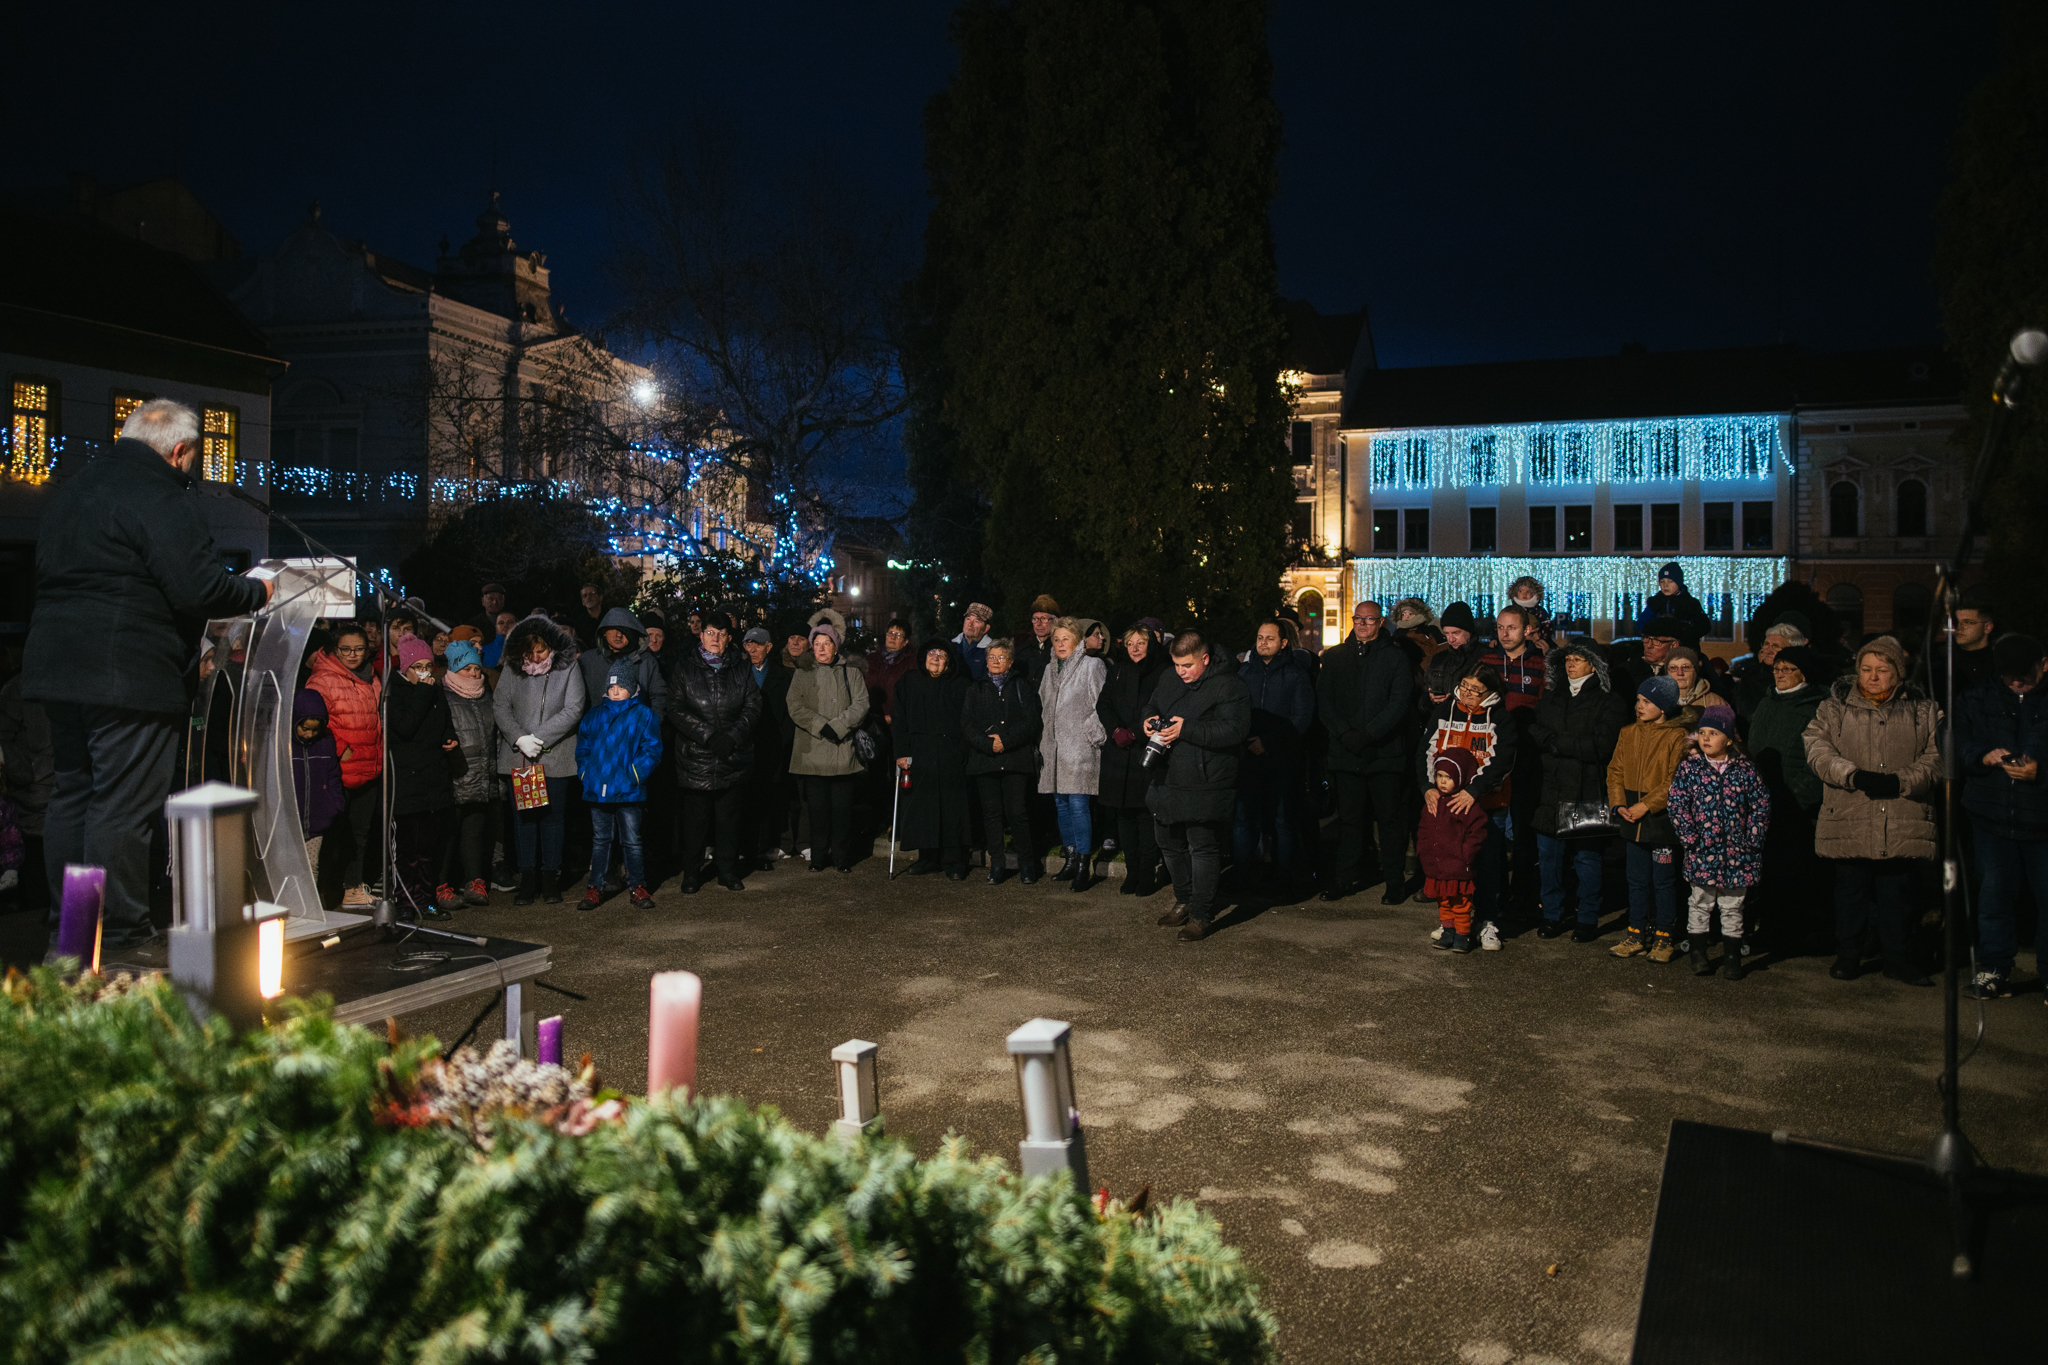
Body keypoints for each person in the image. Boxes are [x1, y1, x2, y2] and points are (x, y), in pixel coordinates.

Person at [23, 398, 272, 953]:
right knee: (121, 802)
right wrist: (258, 591)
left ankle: (71, 931)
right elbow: (200, 588)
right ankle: (116, 932)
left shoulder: (76, 488)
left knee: (74, 794)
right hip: (128, 672)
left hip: (57, 665)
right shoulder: (160, 494)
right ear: (180, 451)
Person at [1802, 635, 1942, 985]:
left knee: (1899, 894)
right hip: (1850, 814)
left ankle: (1898, 958)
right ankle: (1848, 955)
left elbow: (1937, 755)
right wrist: (1851, 775)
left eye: (1882, 670)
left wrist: (1902, 781)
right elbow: (1817, 748)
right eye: (1866, 669)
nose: (1873, 677)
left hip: (1901, 816)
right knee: (1851, 892)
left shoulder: (1923, 709)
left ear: (1899, 672)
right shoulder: (1834, 707)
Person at [1951, 633, 2048, 998]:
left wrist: (2041, 772)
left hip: (2042, 820)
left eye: (2023, 675)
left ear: (2044, 665)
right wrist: (1982, 756)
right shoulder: (1977, 696)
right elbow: (1957, 740)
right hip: (1992, 816)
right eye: (2009, 675)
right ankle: (1995, 969)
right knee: (1994, 897)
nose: (2016, 682)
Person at [1144, 631, 1251, 941]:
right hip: (1166, 775)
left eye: (1187, 666)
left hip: (1206, 778)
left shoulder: (1230, 685)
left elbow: (1235, 729)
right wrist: (1148, 720)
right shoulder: (1169, 677)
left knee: (1201, 845)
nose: (1181, 672)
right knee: (1167, 841)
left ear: (1205, 658)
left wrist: (1187, 729)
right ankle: (1184, 899)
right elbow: (1151, 704)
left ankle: (1201, 914)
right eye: (1176, 665)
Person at [1529, 642, 1628, 943]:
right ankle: (1553, 914)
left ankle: (1587, 917)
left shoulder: (1609, 701)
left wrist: (1559, 743)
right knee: (1549, 859)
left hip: (1587, 789)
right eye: (1568, 659)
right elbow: (1535, 733)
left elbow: (1602, 745)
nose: (1571, 664)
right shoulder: (1551, 697)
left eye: (1579, 659)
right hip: (1551, 788)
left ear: (1594, 665)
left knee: (1587, 859)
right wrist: (1566, 744)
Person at [1318, 600, 1415, 904]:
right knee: (1349, 820)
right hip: (1346, 753)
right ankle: (1343, 879)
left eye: (1368, 620)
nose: (1361, 624)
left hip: (1384, 754)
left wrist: (1370, 734)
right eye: (1357, 619)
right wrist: (1346, 734)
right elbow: (1325, 701)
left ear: (1380, 622)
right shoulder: (1335, 657)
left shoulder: (1396, 658)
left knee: (1389, 821)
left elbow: (1399, 703)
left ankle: (1395, 883)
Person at [1667, 706, 1771, 979]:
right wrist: (1690, 837)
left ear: (1728, 738)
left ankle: (1732, 956)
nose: (1706, 738)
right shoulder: (1691, 768)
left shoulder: (1745, 769)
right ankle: (1698, 954)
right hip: (1703, 849)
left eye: (1713, 733)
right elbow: (1678, 803)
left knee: (1733, 905)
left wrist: (1752, 838)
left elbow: (1760, 805)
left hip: (1738, 853)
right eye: (1702, 733)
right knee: (1700, 902)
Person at [1418, 662, 1517, 947]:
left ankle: (1488, 920)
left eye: (1476, 689)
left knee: (1487, 863)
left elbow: (1503, 760)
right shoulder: (1444, 712)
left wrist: (1474, 791)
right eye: (1464, 686)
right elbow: (1424, 751)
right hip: (1447, 806)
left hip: (1488, 802)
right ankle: (1452, 922)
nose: (1467, 694)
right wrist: (1427, 788)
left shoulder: (1500, 717)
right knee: (1451, 863)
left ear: (1490, 691)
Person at [494, 613, 587, 905]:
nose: (535, 656)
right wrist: (520, 738)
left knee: (552, 820)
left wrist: (539, 739)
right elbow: (500, 705)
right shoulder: (512, 669)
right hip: (520, 757)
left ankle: (550, 877)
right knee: (524, 819)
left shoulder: (568, 667)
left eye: (541, 650)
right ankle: (528, 878)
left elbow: (574, 708)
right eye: (530, 651)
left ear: (552, 647)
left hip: (554, 757)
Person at [1746, 642, 1830, 952]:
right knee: (1766, 873)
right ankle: (1769, 930)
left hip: (1796, 806)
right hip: (1761, 802)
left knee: (1794, 873)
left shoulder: (1818, 705)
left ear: (1804, 673)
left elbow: (1819, 760)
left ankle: (1796, 934)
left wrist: (1799, 796)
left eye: (1787, 669)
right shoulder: (1767, 703)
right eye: (1776, 668)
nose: (1779, 674)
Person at [668, 613, 761, 893]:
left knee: (728, 819)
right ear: (701, 635)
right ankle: (692, 873)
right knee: (695, 821)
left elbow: (753, 706)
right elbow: (675, 708)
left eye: (721, 634)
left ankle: (727, 871)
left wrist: (732, 737)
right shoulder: (684, 668)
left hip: (732, 757)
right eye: (710, 632)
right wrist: (708, 736)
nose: (715, 639)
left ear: (729, 639)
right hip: (695, 757)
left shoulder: (741, 669)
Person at [1606, 676, 1695, 963]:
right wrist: (1619, 803)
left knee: (1664, 881)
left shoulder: (1677, 736)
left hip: (1660, 820)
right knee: (1636, 879)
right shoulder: (1628, 732)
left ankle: (1664, 937)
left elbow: (1675, 779)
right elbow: (1615, 770)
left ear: (1664, 707)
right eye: (1639, 700)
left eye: (1647, 702)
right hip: (1631, 817)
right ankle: (1635, 934)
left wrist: (1647, 805)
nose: (1639, 706)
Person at [306, 623, 384, 909]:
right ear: (334, 649)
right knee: (335, 834)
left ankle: (353, 887)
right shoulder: (322, 679)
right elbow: (316, 721)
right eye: (346, 649)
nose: (353, 655)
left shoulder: (372, 677)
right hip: (340, 767)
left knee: (360, 834)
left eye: (359, 649)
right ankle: (327, 892)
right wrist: (341, 751)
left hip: (370, 764)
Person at [1235, 619, 1316, 894]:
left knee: (1283, 820)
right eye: (1259, 637)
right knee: (1245, 819)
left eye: (1269, 638)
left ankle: (1283, 879)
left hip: (1283, 759)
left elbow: (1302, 717)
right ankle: (1242, 877)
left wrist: (1268, 742)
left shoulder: (1296, 674)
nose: (1263, 643)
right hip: (1248, 757)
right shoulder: (1244, 673)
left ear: (1283, 643)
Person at [786, 621, 870, 872]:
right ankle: (819, 857)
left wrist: (840, 725)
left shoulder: (851, 672)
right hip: (814, 751)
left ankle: (842, 858)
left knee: (842, 810)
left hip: (842, 751)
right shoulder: (802, 672)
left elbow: (862, 704)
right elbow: (794, 705)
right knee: (817, 811)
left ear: (836, 647)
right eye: (817, 644)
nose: (821, 649)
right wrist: (822, 726)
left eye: (827, 643)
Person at [1479, 605, 1546, 915]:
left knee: (1522, 830)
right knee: (1493, 828)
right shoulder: (1487, 660)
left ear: (1527, 630)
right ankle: (1496, 893)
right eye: (1500, 627)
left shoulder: (1541, 662)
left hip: (1529, 756)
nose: (1505, 633)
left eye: (1512, 628)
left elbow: (1546, 706)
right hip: (1494, 755)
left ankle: (1522, 894)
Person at [576, 671, 664, 909]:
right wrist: (585, 773)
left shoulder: (643, 715)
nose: (615, 691)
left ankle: (637, 886)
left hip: (628, 789)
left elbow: (652, 749)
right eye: (611, 686)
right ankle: (595, 886)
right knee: (600, 840)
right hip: (598, 788)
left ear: (632, 689)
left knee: (632, 840)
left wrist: (635, 775)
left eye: (621, 687)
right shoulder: (594, 715)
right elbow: (583, 747)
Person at [387, 637, 459, 919]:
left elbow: (444, 721)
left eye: (429, 665)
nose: (425, 672)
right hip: (406, 782)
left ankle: (427, 899)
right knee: (407, 851)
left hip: (433, 779)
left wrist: (449, 737)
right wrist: (421, 694)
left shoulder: (435, 692)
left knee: (429, 848)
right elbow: (404, 727)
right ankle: (404, 902)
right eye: (418, 666)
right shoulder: (396, 693)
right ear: (406, 668)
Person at [963, 640, 1043, 884]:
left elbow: (1032, 721)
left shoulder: (1022, 686)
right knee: (991, 814)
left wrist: (1005, 741)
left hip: (1015, 759)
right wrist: (988, 745)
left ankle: (1027, 864)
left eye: (1001, 657)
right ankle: (997, 863)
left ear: (1010, 662)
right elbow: (967, 724)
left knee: (1017, 812)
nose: (996, 662)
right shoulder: (975, 688)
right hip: (984, 760)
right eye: (991, 657)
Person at [1097, 625, 1169, 895]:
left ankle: (1147, 871)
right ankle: (1132, 870)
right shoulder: (1118, 670)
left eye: (1141, 642)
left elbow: (1161, 709)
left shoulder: (1162, 672)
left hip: (1146, 750)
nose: (1135, 647)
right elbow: (1103, 703)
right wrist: (1116, 730)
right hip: (1119, 751)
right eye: (1130, 643)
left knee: (1144, 815)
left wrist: (1136, 732)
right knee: (1123, 814)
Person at [1038, 617, 1109, 892]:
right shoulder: (1049, 670)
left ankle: (1083, 863)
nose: (1059, 644)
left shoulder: (1093, 665)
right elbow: (1044, 705)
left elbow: (1101, 704)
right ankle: (1069, 858)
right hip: (1054, 749)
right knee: (1061, 804)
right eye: (1056, 639)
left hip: (1080, 747)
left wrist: (1092, 734)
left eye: (1065, 639)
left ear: (1078, 641)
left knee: (1079, 805)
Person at [893, 642, 974, 878]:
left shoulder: (960, 685)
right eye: (931, 653)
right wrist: (901, 752)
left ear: (949, 661)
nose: (936, 658)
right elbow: (899, 720)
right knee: (923, 807)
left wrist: (962, 751)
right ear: (923, 657)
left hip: (951, 753)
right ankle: (927, 858)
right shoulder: (908, 682)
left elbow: (968, 721)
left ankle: (954, 861)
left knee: (952, 808)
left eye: (941, 654)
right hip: (919, 753)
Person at [439, 639, 498, 907]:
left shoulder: (486, 695)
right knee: (448, 833)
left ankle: (475, 881)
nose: (474, 674)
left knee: (474, 832)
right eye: (467, 669)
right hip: (455, 775)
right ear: (453, 668)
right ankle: (442, 885)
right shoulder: (443, 696)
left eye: (477, 668)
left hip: (481, 774)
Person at [1419, 749, 1492, 953]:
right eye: (1440, 776)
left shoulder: (1466, 805)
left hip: (1459, 866)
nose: (1442, 781)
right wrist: (1424, 852)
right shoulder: (1432, 803)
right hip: (1438, 866)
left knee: (1461, 903)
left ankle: (1462, 934)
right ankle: (1448, 932)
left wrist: (1465, 855)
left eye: (1449, 777)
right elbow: (1423, 830)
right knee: (1443, 902)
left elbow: (1476, 833)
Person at [740, 626, 797, 866]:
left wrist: (781, 741)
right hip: (745, 744)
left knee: (772, 796)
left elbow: (789, 714)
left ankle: (768, 844)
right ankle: (747, 846)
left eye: (758, 644)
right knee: (747, 798)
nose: (752, 649)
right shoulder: (739, 673)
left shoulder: (785, 676)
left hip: (775, 744)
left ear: (769, 647)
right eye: (748, 644)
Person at [291, 689, 345, 893]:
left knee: (312, 865)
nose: (310, 734)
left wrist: (335, 803)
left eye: (315, 729)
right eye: (305, 728)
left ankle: (309, 909)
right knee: (289, 865)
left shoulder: (325, 742)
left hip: (317, 818)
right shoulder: (284, 743)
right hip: (290, 819)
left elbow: (333, 775)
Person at [578, 607, 669, 720]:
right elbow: (577, 702)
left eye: (624, 630)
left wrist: (650, 726)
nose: (618, 635)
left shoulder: (647, 661)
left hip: (636, 732)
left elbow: (659, 697)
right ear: (604, 632)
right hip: (599, 733)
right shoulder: (588, 660)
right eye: (613, 628)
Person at [1731, 612, 1810, 723]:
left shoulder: (1806, 680)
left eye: (1775, 646)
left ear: (1792, 650)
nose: (1767, 650)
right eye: (1766, 644)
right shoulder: (1749, 680)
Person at [1637, 562, 1711, 637]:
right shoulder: (1655, 602)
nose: (1665, 585)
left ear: (1678, 582)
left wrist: (1685, 634)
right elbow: (1642, 624)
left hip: (1684, 646)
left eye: (1670, 581)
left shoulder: (1690, 603)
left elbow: (1704, 626)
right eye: (1662, 581)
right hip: (1660, 646)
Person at [1664, 648, 1726, 713]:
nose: (1680, 673)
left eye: (1686, 667)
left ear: (1696, 672)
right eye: (1673, 668)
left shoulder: (1715, 702)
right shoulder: (1656, 701)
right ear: (1667, 672)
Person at [1508, 576, 1555, 652]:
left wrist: (1541, 637)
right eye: (1520, 591)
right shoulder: (1511, 610)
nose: (1524, 594)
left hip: (1536, 640)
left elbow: (1547, 625)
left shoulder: (1539, 611)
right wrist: (1494, 638)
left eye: (1528, 591)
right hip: (1516, 640)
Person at [1022, 594, 1061, 682]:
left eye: (1044, 618)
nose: (1038, 623)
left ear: (1055, 621)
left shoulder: (1061, 650)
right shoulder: (1022, 652)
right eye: (1035, 619)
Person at [953, 603, 995, 681]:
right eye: (968, 618)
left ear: (986, 628)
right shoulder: (951, 646)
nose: (970, 624)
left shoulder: (992, 651)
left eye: (976, 621)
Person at [571, 583, 607, 649]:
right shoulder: (579, 623)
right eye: (585, 595)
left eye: (592, 594)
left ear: (600, 597)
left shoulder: (610, 616)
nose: (588, 597)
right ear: (583, 602)